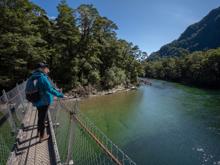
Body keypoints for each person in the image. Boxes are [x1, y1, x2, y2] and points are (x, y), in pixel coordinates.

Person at [30, 62, 64, 142]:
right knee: (42, 118)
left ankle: (39, 132)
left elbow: (46, 87)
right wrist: (61, 95)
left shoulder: (33, 77)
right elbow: (49, 89)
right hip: (44, 101)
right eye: (45, 68)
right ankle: (42, 136)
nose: (47, 69)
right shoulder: (42, 77)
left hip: (37, 100)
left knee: (40, 116)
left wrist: (54, 89)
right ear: (41, 69)